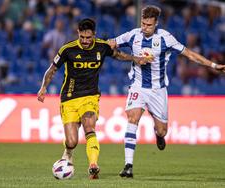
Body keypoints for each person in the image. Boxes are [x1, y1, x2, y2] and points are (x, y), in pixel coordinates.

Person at [108, 5, 225, 178]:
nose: (145, 27)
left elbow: (189, 54)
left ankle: (159, 135)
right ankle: (128, 166)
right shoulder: (133, 35)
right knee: (132, 118)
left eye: (149, 24)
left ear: (156, 24)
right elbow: (111, 43)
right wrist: (112, 47)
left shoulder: (165, 38)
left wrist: (213, 65)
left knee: (162, 130)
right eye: (143, 23)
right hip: (138, 86)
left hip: (158, 90)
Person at [37, 18, 151, 179]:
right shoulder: (67, 49)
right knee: (71, 141)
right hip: (69, 99)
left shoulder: (102, 47)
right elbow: (52, 69)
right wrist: (43, 87)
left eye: (88, 37)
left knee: (89, 127)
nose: (84, 41)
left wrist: (135, 59)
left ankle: (93, 165)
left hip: (90, 96)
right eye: (82, 37)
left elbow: (118, 55)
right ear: (78, 33)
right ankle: (68, 152)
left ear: (94, 35)